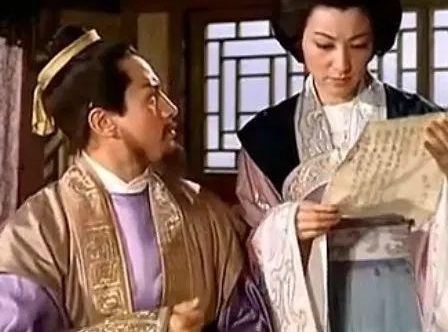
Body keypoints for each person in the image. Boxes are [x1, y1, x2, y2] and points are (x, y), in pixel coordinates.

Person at [235, 0, 448, 332]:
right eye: (324, 45)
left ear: (377, 41)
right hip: (315, 297)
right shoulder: (267, 137)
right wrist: (288, 226)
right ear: (298, 39)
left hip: (401, 293)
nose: (342, 64)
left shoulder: (419, 118)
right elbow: (249, 239)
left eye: (359, 44)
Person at [0, 25, 273, 331]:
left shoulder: (203, 211)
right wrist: (154, 326)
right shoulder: (41, 231)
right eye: (152, 98)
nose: (170, 109)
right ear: (103, 122)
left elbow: (247, 319)